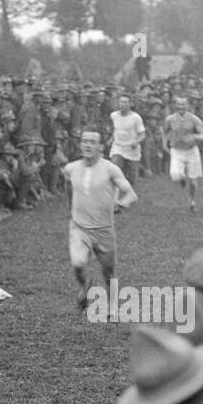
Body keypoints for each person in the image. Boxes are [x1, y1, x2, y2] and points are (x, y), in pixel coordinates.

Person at [60, 130, 137, 311]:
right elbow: (67, 186)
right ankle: (86, 283)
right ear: (80, 144)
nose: (88, 145)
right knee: (78, 264)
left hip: (103, 229)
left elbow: (131, 194)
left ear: (101, 147)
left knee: (109, 271)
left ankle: (112, 306)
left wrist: (121, 204)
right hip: (79, 227)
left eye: (92, 142)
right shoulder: (71, 168)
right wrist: (71, 207)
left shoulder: (110, 168)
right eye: (85, 141)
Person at [163, 95, 203, 212]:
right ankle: (182, 178)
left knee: (193, 182)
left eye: (183, 104)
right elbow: (164, 131)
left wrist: (194, 136)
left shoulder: (194, 119)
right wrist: (164, 144)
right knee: (176, 175)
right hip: (177, 150)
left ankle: (192, 201)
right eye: (178, 104)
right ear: (175, 105)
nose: (181, 107)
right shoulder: (170, 119)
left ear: (187, 106)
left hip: (191, 151)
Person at [108, 93, 147, 188]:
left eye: (125, 102)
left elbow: (142, 134)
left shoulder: (136, 117)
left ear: (130, 104)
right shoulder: (114, 115)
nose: (123, 104)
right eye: (121, 102)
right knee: (114, 169)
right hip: (118, 147)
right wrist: (111, 139)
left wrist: (136, 142)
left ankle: (128, 195)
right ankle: (113, 194)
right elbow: (116, 129)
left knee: (132, 177)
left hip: (131, 149)